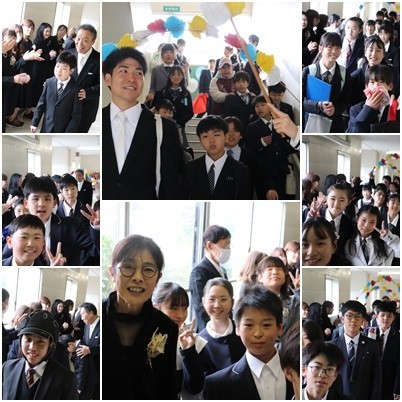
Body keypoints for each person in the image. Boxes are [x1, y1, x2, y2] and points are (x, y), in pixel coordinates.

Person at [102, 234, 178, 399]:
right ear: (112, 273)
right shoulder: (98, 316)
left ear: (157, 278)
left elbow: (166, 388)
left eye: (148, 270)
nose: (137, 277)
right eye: (128, 267)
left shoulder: (166, 327)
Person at [102, 46, 183, 200]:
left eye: (138, 73)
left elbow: (171, 185)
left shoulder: (164, 128)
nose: (132, 79)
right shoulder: (98, 123)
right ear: (108, 78)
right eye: (124, 71)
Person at [203, 286, 288, 400]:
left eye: (266, 325)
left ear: (279, 328)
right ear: (237, 328)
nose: (258, 333)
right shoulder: (218, 385)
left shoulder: (296, 370)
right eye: (249, 325)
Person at [2, 176, 100, 266]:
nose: (41, 204)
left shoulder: (72, 225)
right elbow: (5, 259)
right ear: (26, 203)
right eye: (36, 199)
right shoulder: (17, 228)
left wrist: (97, 228)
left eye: (47, 199)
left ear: (54, 203)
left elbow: (96, 250)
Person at [181, 278, 245, 396]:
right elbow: (194, 388)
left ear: (232, 301)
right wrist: (188, 351)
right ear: (203, 301)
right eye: (212, 299)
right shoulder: (198, 341)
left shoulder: (243, 331)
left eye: (223, 299)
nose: (217, 305)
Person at [2, 310, 78, 400]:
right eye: (28, 339)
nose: (32, 347)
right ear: (20, 339)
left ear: (50, 345)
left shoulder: (66, 379)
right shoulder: (7, 368)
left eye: (40, 341)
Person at [152, 282, 204, 399]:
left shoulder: (192, 341)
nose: (180, 315)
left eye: (184, 308)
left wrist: (188, 351)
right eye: (174, 308)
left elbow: (195, 388)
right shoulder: (145, 338)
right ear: (155, 308)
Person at [181, 115, 249, 200]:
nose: (211, 140)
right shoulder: (190, 168)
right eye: (205, 136)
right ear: (200, 141)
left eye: (216, 135)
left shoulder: (241, 170)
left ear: (226, 137)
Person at [245, 95, 297, 200]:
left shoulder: (280, 123)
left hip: (280, 170)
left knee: (282, 198)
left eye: (262, 105)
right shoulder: (252, 127)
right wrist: (262, 142)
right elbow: (248, 149)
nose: (259, 108)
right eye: (256, 106)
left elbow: (286, 145)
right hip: (262, 172)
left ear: (271, 106)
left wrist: (296, 145)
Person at [330, 300, 381, 400]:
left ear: (362, 320)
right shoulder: (332, 346)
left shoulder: (372, 345)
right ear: (342, 318)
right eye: (349, 316)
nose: (353, 320)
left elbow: (376, 378)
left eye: (358, 316)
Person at [302, 32, 351, 133]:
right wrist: (318, 105)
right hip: (311, 123)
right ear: (320, 48)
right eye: (330, 47)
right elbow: (302, 100)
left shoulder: (345, 73)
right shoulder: (308, 71)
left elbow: (346, 101)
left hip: (334, 125)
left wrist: (335, 109)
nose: (334, 51)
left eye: (337, 48)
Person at [189, 225, 231, 332]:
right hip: (208, 330)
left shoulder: (222, 270)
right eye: (224, 245)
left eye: (229, 246)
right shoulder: (198, 272)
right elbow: (201, 308)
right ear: (210, 246)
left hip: (224, 326)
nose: (228, 249)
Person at [30, 51, 82, 133]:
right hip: (47, 126)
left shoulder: (75, 88)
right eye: (57, 66)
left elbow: (76, 115)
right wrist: (34, 123)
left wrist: (68, 133)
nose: (59, 71)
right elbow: (41, 104)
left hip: (63, 128)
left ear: (71, 71)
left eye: (64, 68)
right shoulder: (48, 82)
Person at [66, 24, 100, 133]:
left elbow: (103, 85)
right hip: (65, 108)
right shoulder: (67, 54)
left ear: (93, 41)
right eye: (78, 38)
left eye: (85, 40)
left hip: (86, 110)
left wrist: (87, 93)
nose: (80, 43)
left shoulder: (99, 60)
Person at [365, 301, 400, 400]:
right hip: (369, 382)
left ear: (393, 318)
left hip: (389, 384)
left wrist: (397, 389)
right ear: (376, 316)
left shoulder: (398, 338)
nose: (385, 319)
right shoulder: (368, 333)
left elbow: (399, 365)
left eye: (389, 316)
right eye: (382, 315)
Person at [153, 65, 193, 148]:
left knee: (180, 150)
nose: (176, 77)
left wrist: (178, 122)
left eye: (179, 74)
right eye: (173, 74)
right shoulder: (162, 92)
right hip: (162, 127)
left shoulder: (186, 94)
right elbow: (156, 109)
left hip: (179, 128)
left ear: (182, 77)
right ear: (169, 76)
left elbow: (190, 112)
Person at [347, 64, 396, 133]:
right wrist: (368, 109)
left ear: (390, 86)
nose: (376, 86)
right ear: (366, 86)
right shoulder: (356, 109)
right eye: (372, 82)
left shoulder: (394, 108)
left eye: (381, 82)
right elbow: (353, 133)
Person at [224, 116, 260, 199]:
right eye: (227, 130)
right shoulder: (214, 156)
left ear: (241, 135)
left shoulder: (249, 155)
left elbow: (259, 177)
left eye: (235, 130)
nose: (231, 134)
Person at [256, 256, 299, 324]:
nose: (275, 272)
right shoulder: (253, 302)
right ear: (260, 277)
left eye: (279, 269)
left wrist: (298, 290)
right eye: (269, 269)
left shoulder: (293, 302)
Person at [77, 302, 100, 399]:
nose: (81, 318)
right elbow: (85, 340)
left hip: (99, 367)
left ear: (91, 313)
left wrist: (90, 350)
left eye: (82, 314)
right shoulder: (87, 325)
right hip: (88, 368)